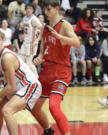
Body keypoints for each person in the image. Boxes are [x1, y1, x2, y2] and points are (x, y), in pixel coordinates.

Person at [0, 29, 42, 135]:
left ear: (3, 41)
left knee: (7, 110)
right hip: (17, 88)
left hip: (29, 86)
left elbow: (10, 86)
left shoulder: (7, 57)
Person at [33, 0, 80, 135]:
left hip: (61, 71)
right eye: (45, 10)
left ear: (57, 8)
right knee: (34, 107)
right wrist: (39, 58)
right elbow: (43, 50)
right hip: (46, 71)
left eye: (49, 9)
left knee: (53, 106)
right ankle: (48, 131)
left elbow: (76, 42)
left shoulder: (65, 26)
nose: (46, 12)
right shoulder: (44, 27)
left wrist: (60, 37)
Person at [19, 3, 42, 78]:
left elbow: (41, 29)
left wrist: (37, 40)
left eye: (30, 8)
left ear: (33, 10)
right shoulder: (25, 18)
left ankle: (36, 78)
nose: (28, 10)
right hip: (25, 42)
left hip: (31, 43)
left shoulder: (34, 19)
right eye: (27, 8)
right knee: (21, 61)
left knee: (29, 62)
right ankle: (25, 78)